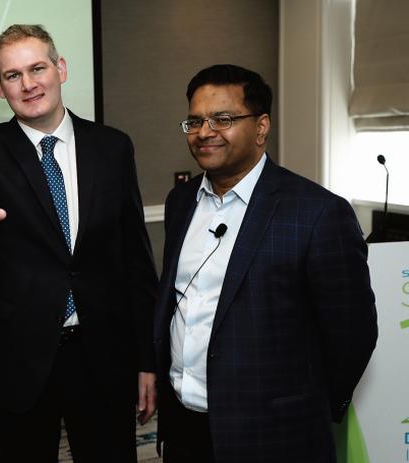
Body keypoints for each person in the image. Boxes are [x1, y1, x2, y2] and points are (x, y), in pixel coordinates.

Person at [0, 25, 159, 462]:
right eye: (13, 75)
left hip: (103, 351)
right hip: (19, 353)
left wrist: (147, 359)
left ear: (61, 68)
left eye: (37, 68)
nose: (29, 83)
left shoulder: (113, 147)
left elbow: (136, 256)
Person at [153, 64, 378, 462]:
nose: (205, 131)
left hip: (276, 435)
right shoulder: (180, 202)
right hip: (185, 426)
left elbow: (352, 334)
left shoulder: (317, 213)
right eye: (195, 121)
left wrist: (303, 408)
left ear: (261, 127)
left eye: (223, 119)